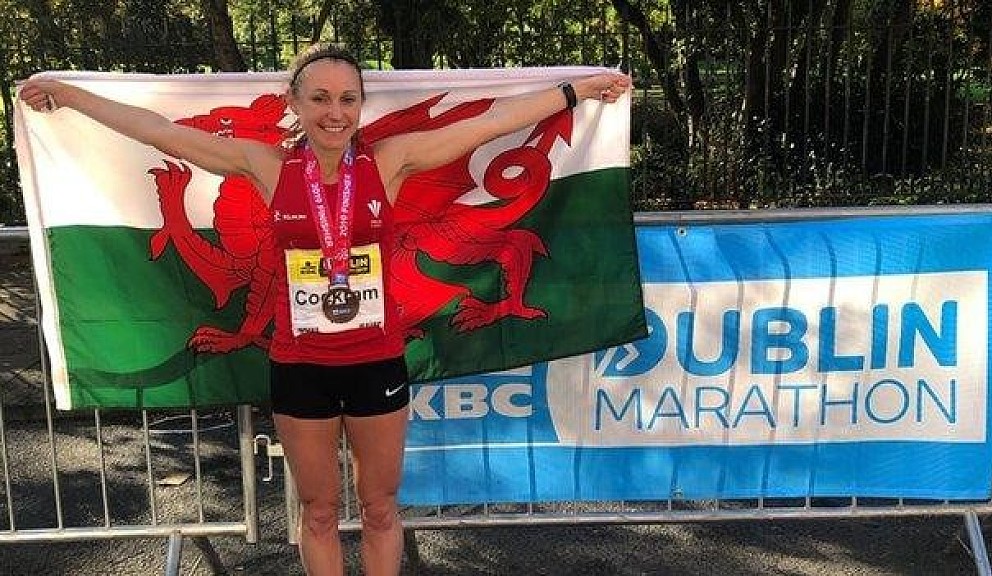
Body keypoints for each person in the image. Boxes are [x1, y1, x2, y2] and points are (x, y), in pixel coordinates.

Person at [19, 44, 630, 576]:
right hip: (301, 366)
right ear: (295, 103)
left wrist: (575, 92)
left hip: (376, 362)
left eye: (347, 99)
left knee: (380, 508)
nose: (334, 113)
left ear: (361, 105)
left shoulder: (389, 162)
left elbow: (490, 124)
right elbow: (162, 133)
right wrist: (71, 96)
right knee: (317, 511)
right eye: (319, 99)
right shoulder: (266, 166)